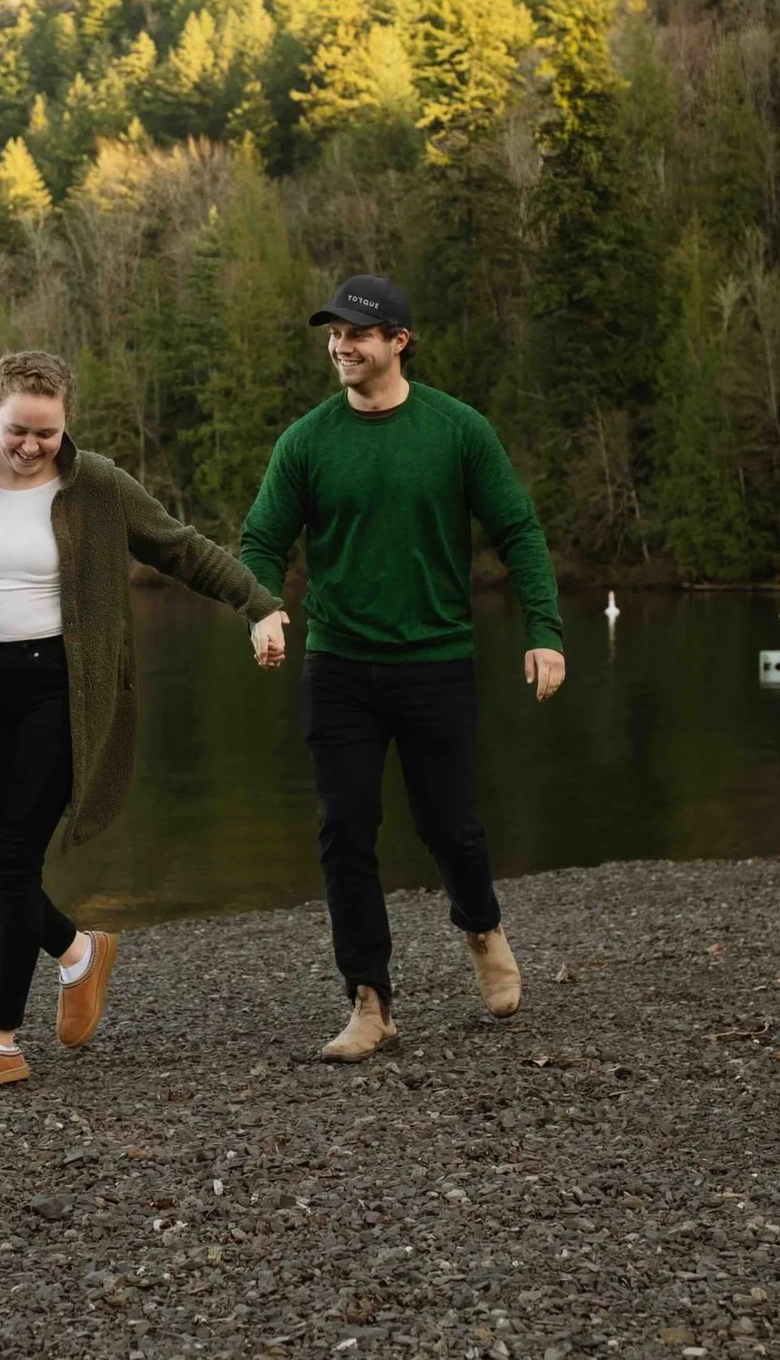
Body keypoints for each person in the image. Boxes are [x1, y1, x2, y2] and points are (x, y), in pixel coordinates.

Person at [0, 351, 283, 1092]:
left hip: (62, 693)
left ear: (66, 424)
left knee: (13, 857)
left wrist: (258, 605)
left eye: (46, 433)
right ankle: (78, 952)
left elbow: (180, 546)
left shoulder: (98, 486)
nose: (31, 445)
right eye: (18, 430)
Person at [239, 276, 567, 1063]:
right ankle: (370, 1000)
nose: (340, 345)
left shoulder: (456, 431)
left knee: (450, 824)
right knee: (344, 830)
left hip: (435, 661)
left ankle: (481, 926)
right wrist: (261, 607)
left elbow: (518, 531)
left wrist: (544, 631)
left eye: (356, 333)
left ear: (398, 340)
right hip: (339, 665)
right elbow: (260, 541)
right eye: (333, 334)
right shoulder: (307, 441)